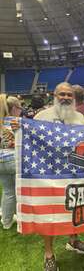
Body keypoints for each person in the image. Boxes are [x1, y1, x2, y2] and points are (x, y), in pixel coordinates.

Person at [13, 82, 84, 271]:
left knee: (75, 210)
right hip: (49, 176)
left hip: (74, 174)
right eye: (61, 94)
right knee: (49, 215)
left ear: (73, 97)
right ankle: (49, 253)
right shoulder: (41, 116)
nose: (65, 97)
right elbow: (29, 138)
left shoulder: (80, 117)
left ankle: (73, 239)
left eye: (69, 95)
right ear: (54, 95)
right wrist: (19, 127)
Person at [0, 94, 23, 229]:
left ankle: (6, 222)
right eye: (20, 107)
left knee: (8, 191)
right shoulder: (17, 122)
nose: (21, 110)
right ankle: (21, 219)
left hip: (1, 161)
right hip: (14, 160)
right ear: (14, 108)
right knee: (20, 191)